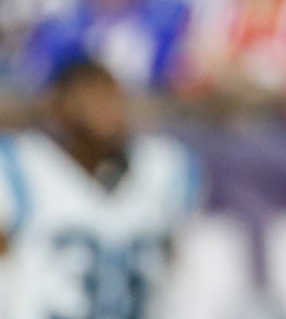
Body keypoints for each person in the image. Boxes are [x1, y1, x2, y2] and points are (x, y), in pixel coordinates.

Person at [0, 58, 202, 318]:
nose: (107, 109)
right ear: (57, 107)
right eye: (91, 96)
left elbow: (180, 264)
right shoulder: (20, 168)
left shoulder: (163, 167)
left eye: (112, 96)